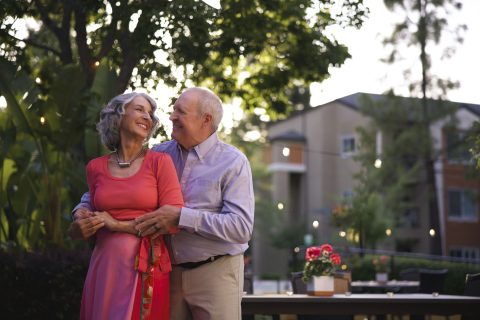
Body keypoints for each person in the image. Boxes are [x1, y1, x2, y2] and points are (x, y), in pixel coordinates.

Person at [71, 87, 254, 320]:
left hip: (215, 272)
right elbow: (100, 192)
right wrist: (80, 213)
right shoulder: (159, 154)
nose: (171, 116)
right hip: (167, 271)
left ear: (206, 119)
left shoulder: (233, 162)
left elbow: (241, 227)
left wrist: (181, 216)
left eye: (180, 112)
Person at [71, 92, 183, 320]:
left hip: (147, 266)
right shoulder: (95, 168)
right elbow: (88, 208)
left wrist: (116, 225)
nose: (147, 117)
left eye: (150, 114)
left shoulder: (159, 162)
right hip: (105, 265)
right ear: (118, 116)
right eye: (140, 109)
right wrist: (79, 221)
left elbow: (172, 220)